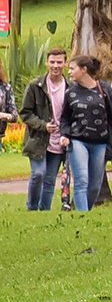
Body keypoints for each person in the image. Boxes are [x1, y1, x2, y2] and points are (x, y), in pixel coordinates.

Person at [59, 55, 112, 210]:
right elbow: (64, 118)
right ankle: (82, 216)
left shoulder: (104, 89)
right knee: (82, 180)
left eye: (72, 68)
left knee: (94, 186)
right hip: (78, 140)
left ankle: (86, 211)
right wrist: (64, 135)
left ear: (84, 70)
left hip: (100, 142)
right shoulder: (70, 92)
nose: (69, 72)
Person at [21, 46, 67, 211]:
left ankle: (44, 211)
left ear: (65, 64)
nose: (55, 66)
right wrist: (43, 125)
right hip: (38, 140)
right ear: (47, 63)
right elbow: (25, 113)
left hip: (58, 141)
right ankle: (32, 209)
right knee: (38, 174)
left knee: (49, 179)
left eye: (59, 62)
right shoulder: (35, 86)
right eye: (52, 62)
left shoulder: (69, 88)